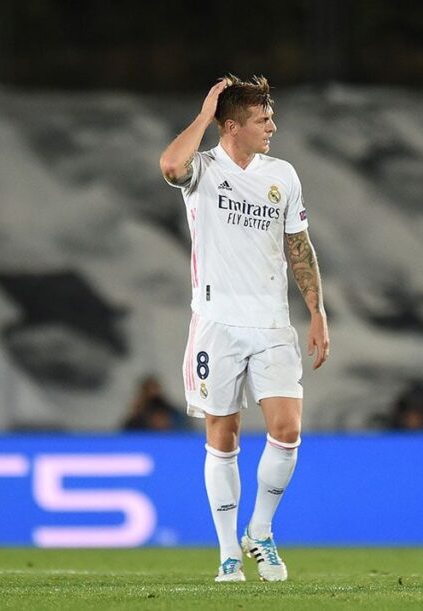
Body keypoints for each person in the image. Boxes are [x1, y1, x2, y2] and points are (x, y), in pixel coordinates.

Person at [159, 75, 329, 582]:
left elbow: (299, 246)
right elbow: (170, 165)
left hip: (273, 322)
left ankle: (260, 530)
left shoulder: (283, 175)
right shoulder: (204, 169)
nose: (273, 126)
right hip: (216, 324)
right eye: (263, 119)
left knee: (287, 429)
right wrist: (206, 109)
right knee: (223, 434)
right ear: (231, 126)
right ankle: (228, 552)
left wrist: (317, 311)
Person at [122, 374, 190, 431]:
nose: (152, 394)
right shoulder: (137, 418)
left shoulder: (176, 415)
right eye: (148, 391)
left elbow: (187, 432)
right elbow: (126, 436)